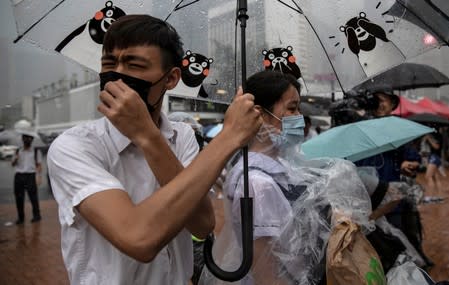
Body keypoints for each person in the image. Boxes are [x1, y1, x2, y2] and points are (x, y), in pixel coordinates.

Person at [47, 15, 262, 285]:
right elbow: (139, 238)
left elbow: (202, 223)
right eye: (109, 63)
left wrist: (150, 138)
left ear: (171, 78)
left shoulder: (182, 136)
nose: (118, 75)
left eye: (134, 65)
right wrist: (228, 138)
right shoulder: (74, 146)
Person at [11, 133, 42, 224]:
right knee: (19, 198)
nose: (27, 140)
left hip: (31, 176)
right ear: (22, 139)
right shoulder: (17, 151)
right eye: (25, 138)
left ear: (32, 140)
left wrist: (39, 176)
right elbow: (12, 164)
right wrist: (16, 159)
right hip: (19, 176)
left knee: (33, 197)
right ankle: (21, 218)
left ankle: (37, 216)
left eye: (29, 138)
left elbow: (39, 165)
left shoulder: (36, 151)